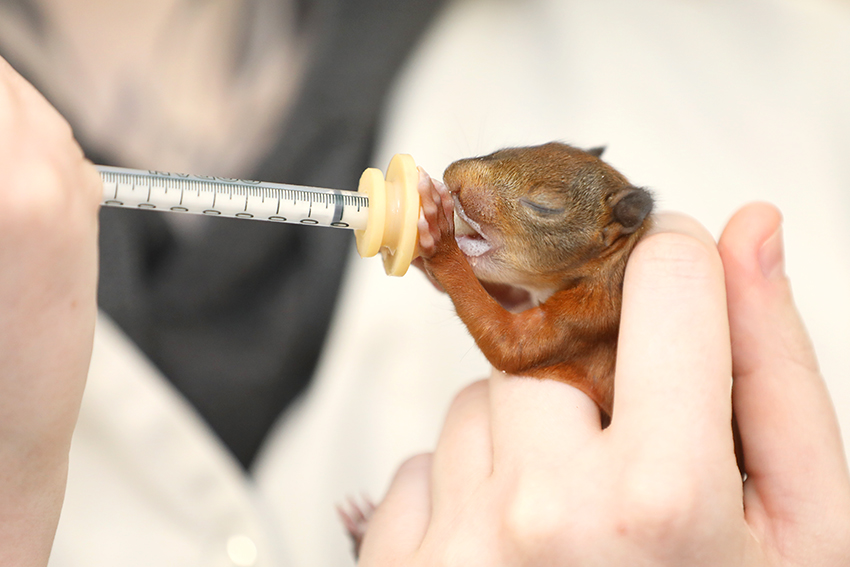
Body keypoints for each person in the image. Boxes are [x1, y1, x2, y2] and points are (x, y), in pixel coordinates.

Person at [2, 1, 850, 566]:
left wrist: (446, 259)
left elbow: (520, 342)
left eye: (541, 205)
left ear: (609, 230)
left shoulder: (791, 72)